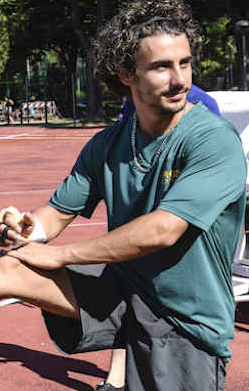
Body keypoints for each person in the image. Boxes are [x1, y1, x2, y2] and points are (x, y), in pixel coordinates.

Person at [0, 0, 246, 391]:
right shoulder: (109, 143)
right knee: (11, 266)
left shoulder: (212, 140)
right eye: (162, 67)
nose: (181, 79)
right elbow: (57, 212)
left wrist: (57, 253)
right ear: (126, 73)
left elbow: (162, 231)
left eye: (184, 63)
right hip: (127, 295)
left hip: (184, 320)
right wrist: (28, 231)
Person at [99, 84, 221, 391]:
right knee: (126, 297)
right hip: (137, 219)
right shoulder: (133, 103)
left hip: (176, 221)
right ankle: (116, 376)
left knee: (171, 322)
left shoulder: (202, 104)